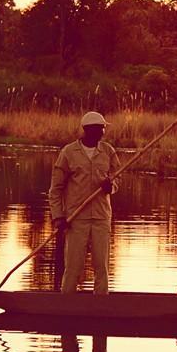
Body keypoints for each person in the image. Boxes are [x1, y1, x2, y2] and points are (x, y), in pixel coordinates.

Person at [49, 112, 121, 295]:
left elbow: (117, 180)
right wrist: (58, 217)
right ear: (88, 130)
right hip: (76, 218)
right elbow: (55, 189)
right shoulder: (68, 153)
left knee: (101, 266)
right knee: (73, 266)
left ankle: (100, 304)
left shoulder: (108, 152)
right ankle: (66, 303)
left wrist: (109, 186)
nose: (103, 132)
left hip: (101, 217)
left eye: (103, 128)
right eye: (100, 128)